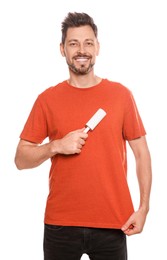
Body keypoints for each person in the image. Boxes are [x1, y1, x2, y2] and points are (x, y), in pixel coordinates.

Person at [14, 12, 152, 260]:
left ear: (97, 47)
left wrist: (143, 208)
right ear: (62, 49)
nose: (82, 50)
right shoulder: (47, 99)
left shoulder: (121, 95)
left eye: (88, 43)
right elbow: (21, 159)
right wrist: (55, 146)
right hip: (60, 225)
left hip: (113, 223)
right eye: (73, 43)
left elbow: (141, 153)